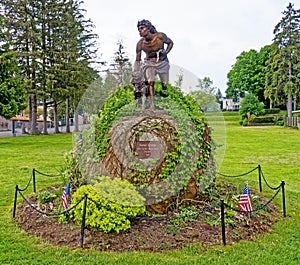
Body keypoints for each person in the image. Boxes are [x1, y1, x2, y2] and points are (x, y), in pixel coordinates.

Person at [134, 19, 173, 109]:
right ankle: (152, 105)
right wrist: (136, 72)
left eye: (142, 28)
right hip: (149, 63)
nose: (140, 31)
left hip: (162, 62)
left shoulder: (160, 36)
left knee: (165, 85)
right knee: (150, 81)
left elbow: (170, 43)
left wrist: (166, 52)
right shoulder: (140, 44)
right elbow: (137, 60)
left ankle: (167, 102)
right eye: (139, 29)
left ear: (148, 28)